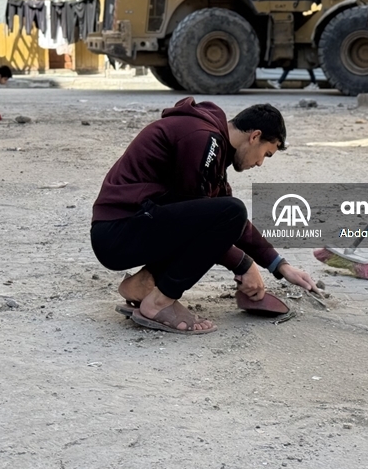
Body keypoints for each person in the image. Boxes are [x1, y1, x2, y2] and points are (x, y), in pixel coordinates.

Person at [91, 97, 318, 334]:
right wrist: (243, 264)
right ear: (254, 136)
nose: (260, 163)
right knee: (232, 210)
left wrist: (280, 265)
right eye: (266, 153)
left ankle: (142, 285)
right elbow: (211, 222)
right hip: (119, 231)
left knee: (228, 212)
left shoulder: (213, 146)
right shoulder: (203, 138)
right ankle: (159, 303)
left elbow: (221, 221)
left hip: (126, 228)